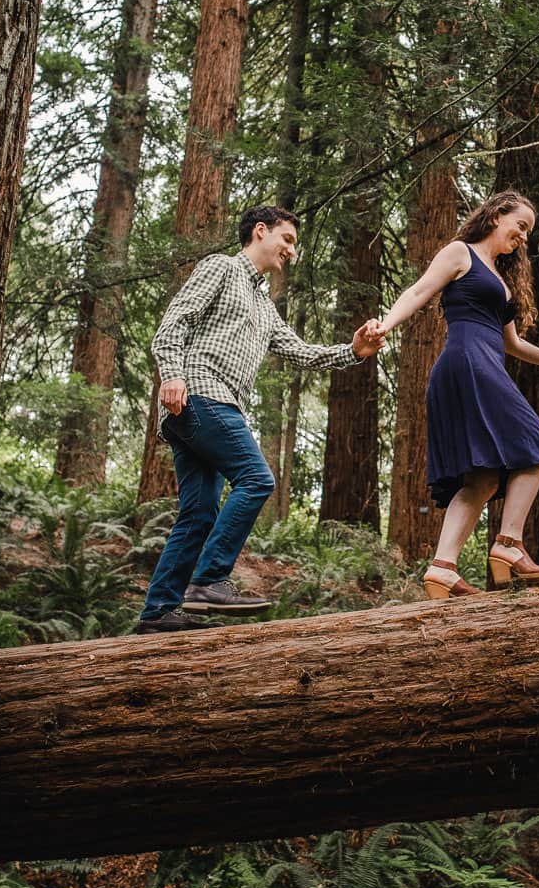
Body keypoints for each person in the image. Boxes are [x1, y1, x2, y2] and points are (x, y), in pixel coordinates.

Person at [133, 204, 383, 634]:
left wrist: (354, 350)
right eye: (287, 240)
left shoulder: (265, 306)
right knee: (257, 478)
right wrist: (172, 374)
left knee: (199, 512)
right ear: (261, 231)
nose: (291, 251)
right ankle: (209, 580)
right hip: (200, 394)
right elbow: (174, 322)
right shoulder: (222, 267)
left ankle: (158, 612)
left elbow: (301, 352)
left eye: (295, 245)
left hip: (208, 408)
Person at [363, 190, 539, 599]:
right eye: (520, 225)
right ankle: (509, 543)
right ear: (496, 215)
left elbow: (514, 345)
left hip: (483, 363)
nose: (523, 237)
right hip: (467, 362)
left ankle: (443, 568)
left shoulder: (500, 279)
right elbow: (419, 292)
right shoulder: (460, 253)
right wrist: (385, 326)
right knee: (535, 446)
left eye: (528, 233)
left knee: (484, 479)